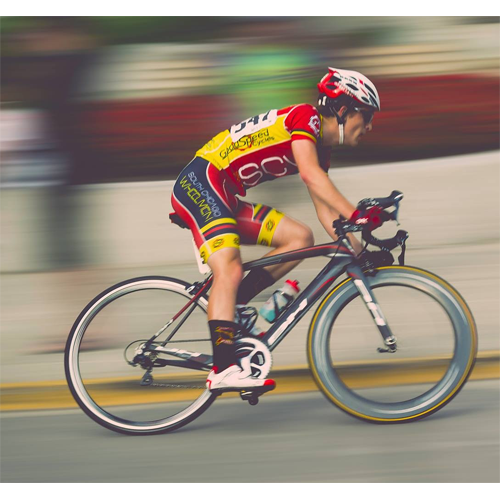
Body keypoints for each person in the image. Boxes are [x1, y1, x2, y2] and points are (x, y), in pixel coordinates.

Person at [170, 67, 381, 394]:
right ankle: (223, 369)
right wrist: (357, 213)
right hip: (202, 181)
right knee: (229, 267)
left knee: (300, 237)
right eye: (365, 116)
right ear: (343, 109)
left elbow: (325, 209)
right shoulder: (305, 118)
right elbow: (311, 177)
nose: (369, 126)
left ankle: (233, 304)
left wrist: (358, 250)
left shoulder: (320, 148)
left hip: (223, 195)